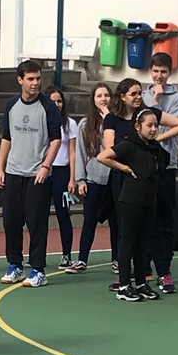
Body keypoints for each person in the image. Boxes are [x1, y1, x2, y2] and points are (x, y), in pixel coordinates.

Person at [102, 77, 178, 291]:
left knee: (158, 226)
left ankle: (163, 272)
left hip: (151, 180)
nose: (139, 97)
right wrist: (128, 162)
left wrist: (155, 139)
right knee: (127, 230)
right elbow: (109, 150)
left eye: (140, 92)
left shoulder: (150, 115)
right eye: (134, 93)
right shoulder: (113, 119)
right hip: (126, 180)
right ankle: (130, 276)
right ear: (122, 97)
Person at [0, 60, 63, 288]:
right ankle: (15, 265)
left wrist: (45, 166)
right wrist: (0, 168)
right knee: (11, 222)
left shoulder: (48, 107)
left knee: (36, 223)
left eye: (38, 79)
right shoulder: (11, 105)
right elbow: (7, 137)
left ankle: (38, 269)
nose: (35, 83)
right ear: (20, 80)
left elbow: (56, 140)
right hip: (13, 173)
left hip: (37, 175)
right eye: (30, 79)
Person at [97, 107, 167, 302]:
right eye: (149, 125)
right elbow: (102, 157)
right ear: (138, 126)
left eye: (155, 126)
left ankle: (141, 283)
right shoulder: (129, 145)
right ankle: (124, 285)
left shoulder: (155, 148)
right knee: (128, 241)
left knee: (143, 242)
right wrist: (124, 168)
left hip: (149, 199)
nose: (153, 129)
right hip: (130, 199)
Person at [141, 52, 178, 294]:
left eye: (163, 71)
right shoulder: (141, 95)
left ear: (170, 73)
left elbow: (159, 126)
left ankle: (165, 271)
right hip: (144, 166)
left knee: (165, 219)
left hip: (166, 165)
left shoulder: (177, 98)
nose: (159, 76)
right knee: (145, 218)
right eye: (156, 71)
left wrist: (157, 101)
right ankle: (144, 267)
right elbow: (141, 128)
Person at [68, 82, 117, 273]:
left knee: (116, 223)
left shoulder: (117, 121)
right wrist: (80, 179)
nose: (103, 99)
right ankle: (82, 260)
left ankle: (117, 260)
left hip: (113, 178)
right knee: (89, 220)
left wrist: (109, 119)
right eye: (99, 96)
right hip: (94, 179)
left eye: (106, 95)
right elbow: (80, 153)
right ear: (93, 99)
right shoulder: (85, 124)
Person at [46, 85, 78, 269]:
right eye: (53, 101)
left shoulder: (70, 124)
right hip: (44, 171)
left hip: (62, 173)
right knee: (38, 216)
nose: (57, 104)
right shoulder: (42, 121)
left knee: (63, 214)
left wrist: (72, 178)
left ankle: (66, 255)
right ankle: (36, 256)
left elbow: (72, 153)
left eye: (59, 101)